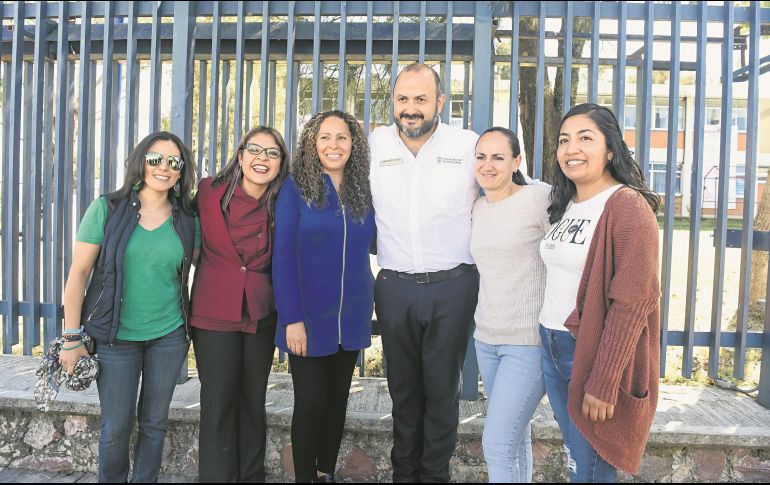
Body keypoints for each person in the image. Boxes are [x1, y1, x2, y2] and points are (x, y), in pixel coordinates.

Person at [59, 131, 199, 483]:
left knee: (154, 423)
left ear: (181, 171)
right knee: (116, 428)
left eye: (173, 162)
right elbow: (78, 274)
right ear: (141, 162)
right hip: (114, 338)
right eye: (155, 159)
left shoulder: (187, 219)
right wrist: (71, 337)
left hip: (168, 335)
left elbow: (210, 266)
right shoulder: (107, 208)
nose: (164, 167)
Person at [368, 62, 480, 483]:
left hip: (453, 286)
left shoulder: (467, 145)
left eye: (420, 99)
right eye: (402, 99)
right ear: (392, 102)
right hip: (394, 287)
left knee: (441, 391)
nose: (410, 109)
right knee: (403, 391)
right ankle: (404, 475)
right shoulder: (375, 145)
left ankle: (434, 476)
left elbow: (507, 185)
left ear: (440, 102)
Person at [539, 103, 661, 482]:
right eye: (564, 140)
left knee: (589, 470)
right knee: (578, 461)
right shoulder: (567, 204)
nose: (571, 148)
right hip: (552, 344)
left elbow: (632, 303)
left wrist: (605, 381)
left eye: (585, 138)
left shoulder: (626, 207)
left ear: (610, 149)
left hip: (589, 354)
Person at [272, 110, 376, 483]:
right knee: (311, 403)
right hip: (308, 317)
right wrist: (292, 319)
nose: (334, 145)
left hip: (350, 316)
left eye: (342, 138)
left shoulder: (362, 188)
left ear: (354, 144)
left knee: (336, 403)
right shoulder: (294, 188)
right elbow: (282, 257)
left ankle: (324, 473)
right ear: (312, 145)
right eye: (325, 138)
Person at [190, 126, 289, 482]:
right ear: (240, 154)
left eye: (272, 153)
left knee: (252, 403)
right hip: (213, 314)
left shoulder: (284, 202)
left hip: (261, 314)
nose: (262, 158)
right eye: (255, 150)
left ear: (281, 163)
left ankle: (251, 476)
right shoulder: (207, 192)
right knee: (217, 404)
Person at [471, 127, 549, 483]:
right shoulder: (477, 206)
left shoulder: (539, 199)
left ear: (517, 162)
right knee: (517, 438)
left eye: (498, 157)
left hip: (527, 343)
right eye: (481, 156)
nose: (488, 165)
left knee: (497, 442)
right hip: (486, 339)